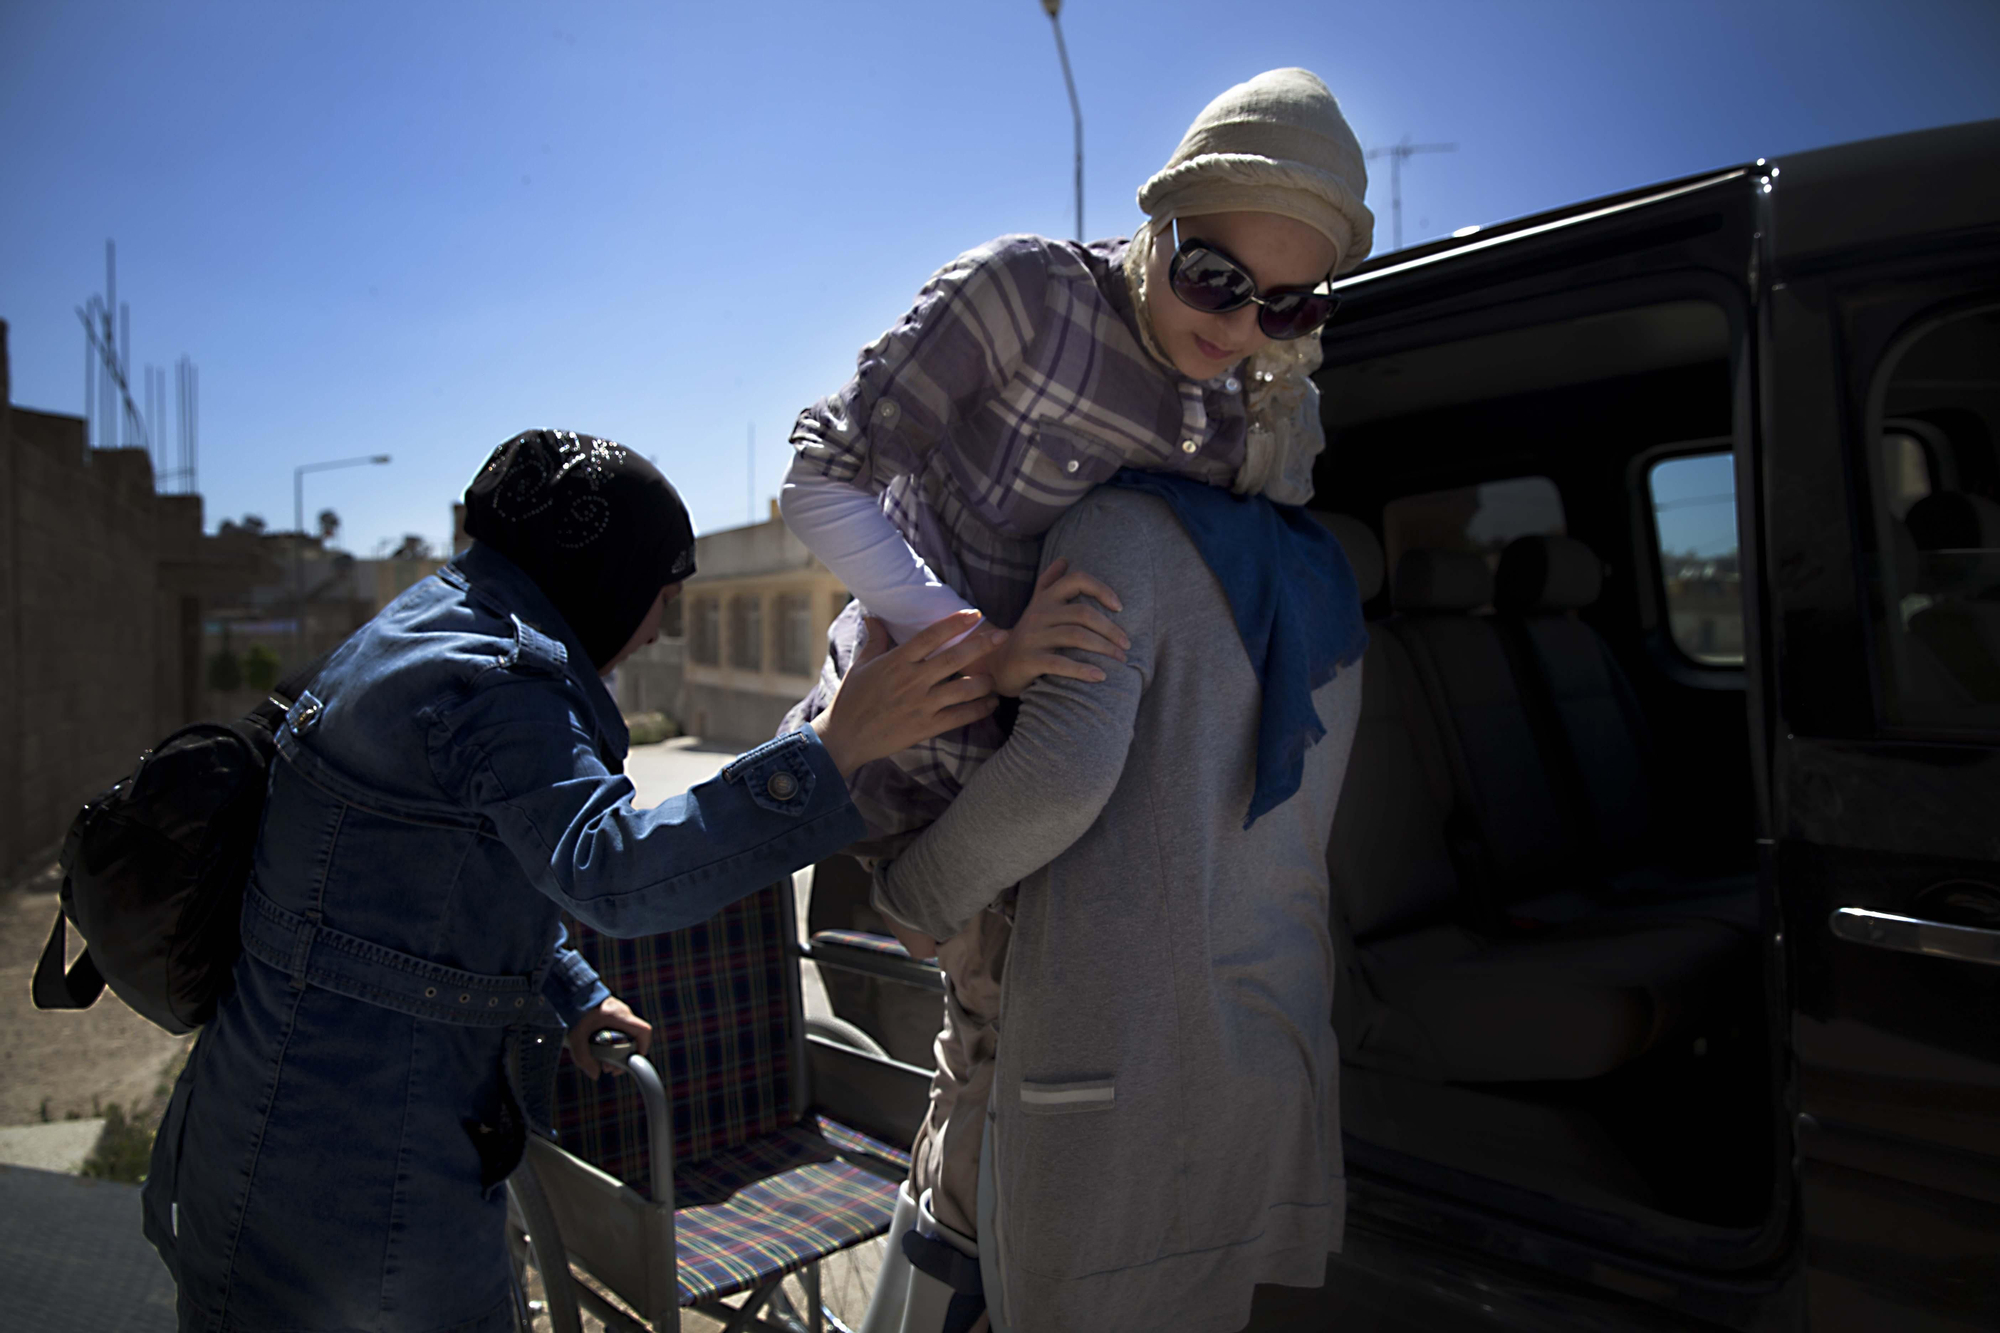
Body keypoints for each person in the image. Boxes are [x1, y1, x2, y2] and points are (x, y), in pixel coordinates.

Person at [141, 429, 1006, 1333]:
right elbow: (610, 870)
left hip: (291, 1125)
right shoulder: (489, 680)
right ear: (608, 580)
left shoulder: (431, 626)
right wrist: (832, 747)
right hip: (353, 1170)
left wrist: (573, 991)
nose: (659, 629)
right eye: (662, 597)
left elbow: (443, 889)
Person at [778, 66, 1373, 1329]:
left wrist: (1284, 396)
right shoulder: (1024, 296)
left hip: (1022, 792)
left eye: (1287, 302)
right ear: (1158, 221)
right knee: (978, 1119)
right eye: (1212, 278)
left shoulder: (1253, 388)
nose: (1238, 325)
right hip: (909, 758)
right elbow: (818, 475)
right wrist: (975, 645)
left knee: (988, 1120)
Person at [871, 476, 1365, 1333]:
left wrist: (911, 900)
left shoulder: (1121, 529)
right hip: (1264, 1041)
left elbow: (1059, 777)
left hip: (1115, 1072)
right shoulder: (1324, 569)